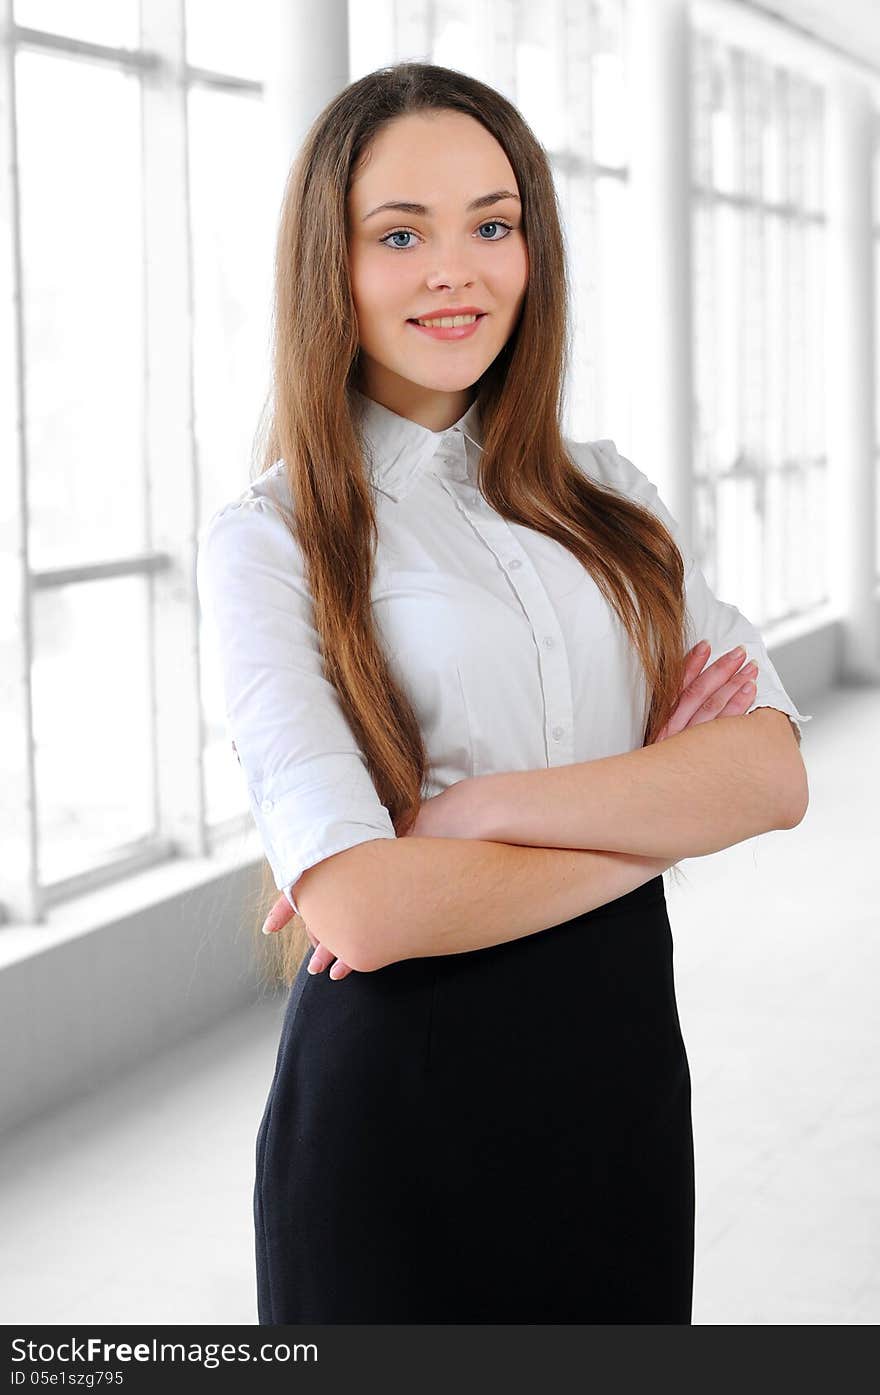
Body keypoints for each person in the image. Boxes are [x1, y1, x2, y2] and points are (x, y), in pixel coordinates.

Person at [196, 61, 811, 1325]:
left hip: (623, 1082)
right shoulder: (273, 539)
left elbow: (771, 774)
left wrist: (477, 814)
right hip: (393, 1110)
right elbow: (364, 912)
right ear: (332, 263)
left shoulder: (610, 498)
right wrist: (653, 816)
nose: (454, 270)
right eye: (400, 233)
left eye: (492, 223)